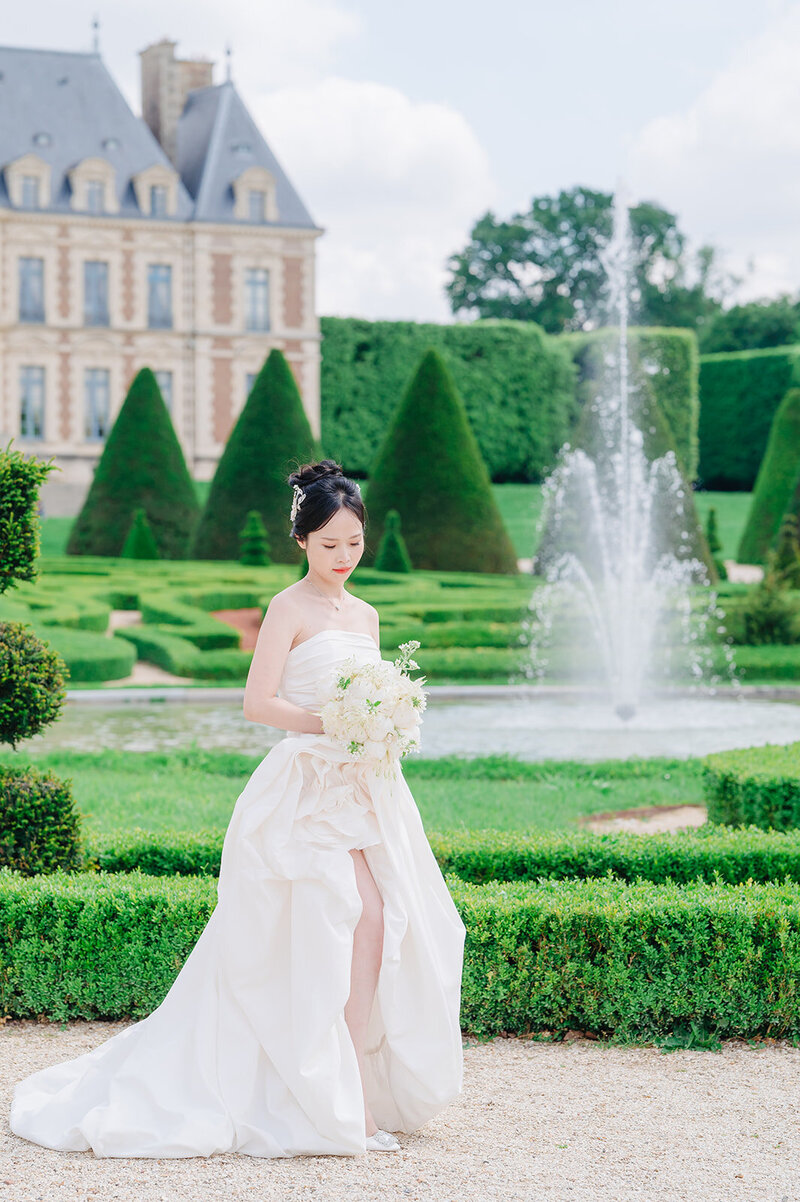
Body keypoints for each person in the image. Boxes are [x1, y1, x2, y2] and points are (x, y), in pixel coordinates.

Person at [9, 459, 466, 1159]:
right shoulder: (287, 607)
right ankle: (326, 1101)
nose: (343, 558)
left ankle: (353, 1094)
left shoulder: (367, 615)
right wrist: (332, 722)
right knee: (321, 927)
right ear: (302, 543)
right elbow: (259, 704)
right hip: (305, 788)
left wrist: (382, 726)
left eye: (353, 543)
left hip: (364, 787)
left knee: (382, 921)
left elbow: (374, 691)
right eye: (329, 545)